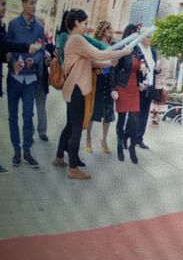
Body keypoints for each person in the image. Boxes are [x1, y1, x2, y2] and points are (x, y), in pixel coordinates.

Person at [52, 9, 130, 179]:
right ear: (76, 23)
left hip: (74, 88)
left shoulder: (75, 41)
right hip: (76, 89)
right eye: (85, 23)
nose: (87, 27)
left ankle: (59, 157)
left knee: (70, 125)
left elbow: (92, 61)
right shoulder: (77, 39)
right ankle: (73, 168)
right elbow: (98, 53)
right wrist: (122, 52)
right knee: (77, 127)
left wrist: (109, 62)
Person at [0, 0, 39, 174]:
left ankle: (27, 151)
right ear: (23, 4)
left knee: (28, 116)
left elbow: (41, 50)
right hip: (14, 79)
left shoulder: (39, 28)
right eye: (31, 3)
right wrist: (13, 61)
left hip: (31, 80)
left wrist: (35, 59)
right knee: (13, 116)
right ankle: (16, 151)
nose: (34, 6)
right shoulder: (13, 24)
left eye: (35, 3)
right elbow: (6, 45)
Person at [111, 23, 147, 164]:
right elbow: (113, 69)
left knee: (134, 121)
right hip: (122, 87)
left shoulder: (137, 50)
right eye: (135, 33)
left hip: (134, 89)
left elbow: (143, 66)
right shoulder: (121, 48)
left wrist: (142, 78)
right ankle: (120, 145)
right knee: (121, 120)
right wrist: (112, 88)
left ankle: (132, 147)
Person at [85, 21, 115, 154]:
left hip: (110, 81)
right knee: (93, 110)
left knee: (108, 112)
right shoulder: (94, 43)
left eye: (110, 28)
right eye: (107, 28)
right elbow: (91, 62)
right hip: (97, 78)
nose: (110, 30)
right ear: (101, 30)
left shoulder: (113, 45)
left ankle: (104, 140)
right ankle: (88, 139)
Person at [136, 34, 159, 150]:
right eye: (147, 37)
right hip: (138, 86)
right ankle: (126, 136)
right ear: (142, 37)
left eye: (150, 37)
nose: (150, 39)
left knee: (144, 113)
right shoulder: (137, 49)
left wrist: (157, 70)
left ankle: (139, 138)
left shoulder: (153, 52)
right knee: (134, 113)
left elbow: (152, 70)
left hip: (149, 86)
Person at [34, 17, 50, 141]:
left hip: (42, 79)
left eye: (43, 25)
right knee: (28, 107)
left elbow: (52, 59)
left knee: (41, 106)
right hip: (29, 78)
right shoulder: (29, 41)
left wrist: (49, 60)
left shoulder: (47, 43)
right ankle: (29, 131)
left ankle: (42, 131)